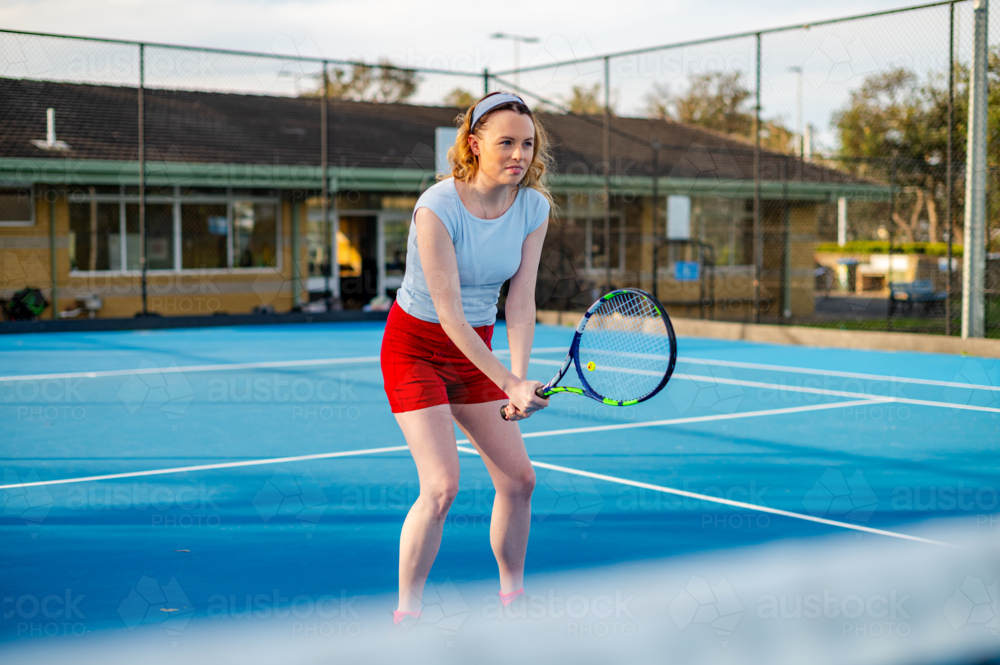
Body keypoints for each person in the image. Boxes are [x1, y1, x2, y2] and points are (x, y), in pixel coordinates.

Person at [380, 92, 553, 625]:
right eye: (505, 143)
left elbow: (520, 303)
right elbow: (451, 315)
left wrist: (518, 379)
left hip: (472, 351)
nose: (518, 154)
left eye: (527, 144)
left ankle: (513, 599)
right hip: (416, 348)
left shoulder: (534, 207)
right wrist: (505, 381)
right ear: (474, 145)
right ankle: (408, 614)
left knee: (519, 481)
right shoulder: (437, 208)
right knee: (441, 487)